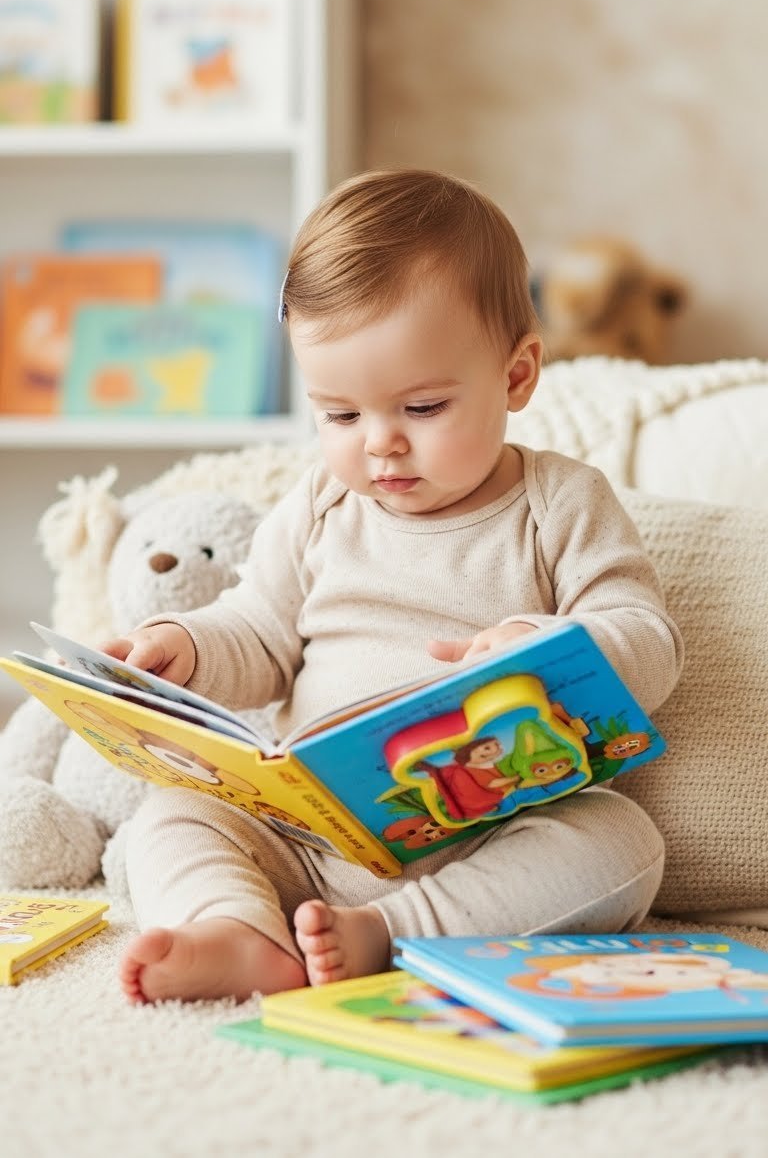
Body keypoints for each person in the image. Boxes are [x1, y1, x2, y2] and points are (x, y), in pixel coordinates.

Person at [108, 169, 684, 1005]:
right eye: (340, 415)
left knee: (621, 842)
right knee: (166, 813)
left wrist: (549, 653)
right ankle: (238, 928)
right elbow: (259, 631)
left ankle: (395, 932)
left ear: (517, 375)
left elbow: (646, 636)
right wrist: (186, 649)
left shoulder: (559, 502)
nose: (380, 445)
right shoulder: (322, 503)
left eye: (420, 407)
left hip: (489, 834)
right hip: (305, 835)